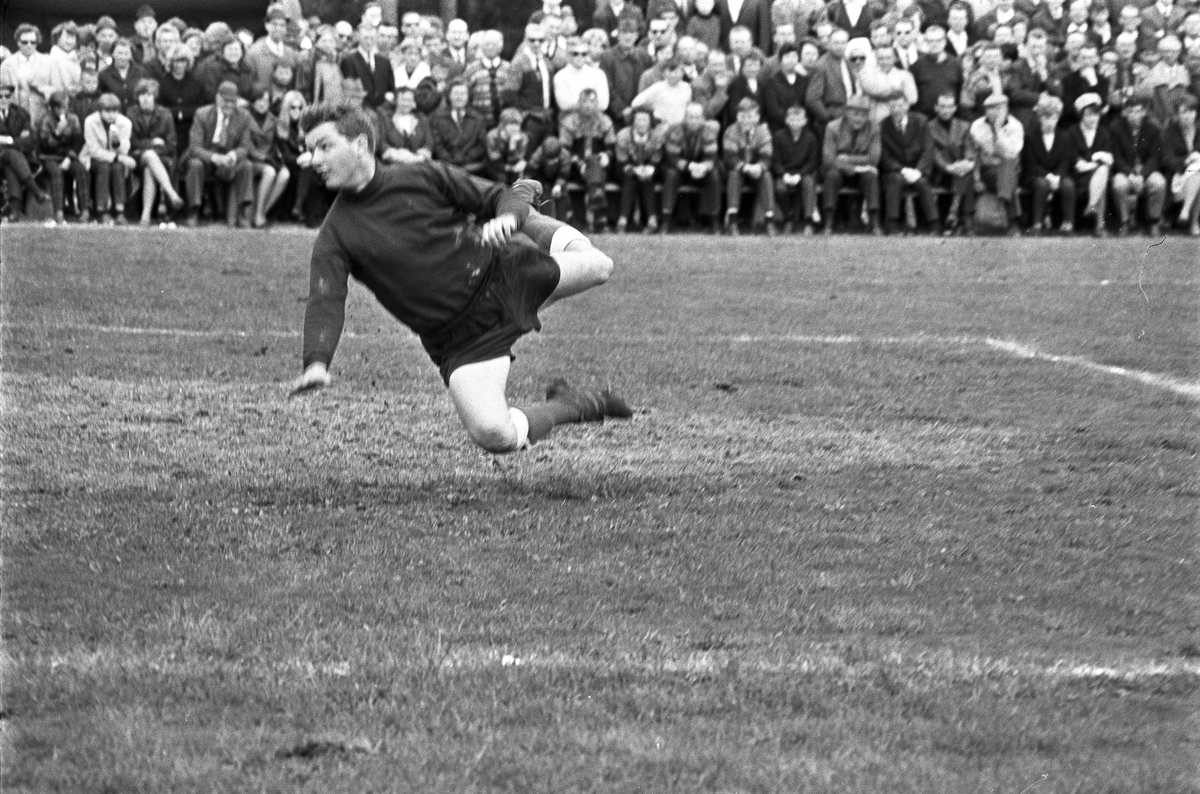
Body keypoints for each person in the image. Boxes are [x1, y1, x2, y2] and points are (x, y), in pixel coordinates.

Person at [289, 103, 631, 454]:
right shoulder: (335, 235)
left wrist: (508, 216)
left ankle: (525, 210)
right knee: (495, 435)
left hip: (505, 280)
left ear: (360, 144)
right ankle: (573, 405)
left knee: (599, 265)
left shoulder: (422, 176)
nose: (314, 160)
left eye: (324, 146)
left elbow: (496, 195)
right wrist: (316, 362)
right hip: (459, 338)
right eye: (309, 150)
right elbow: (325, 299)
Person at [185, 80, 254, 227]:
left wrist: (232, 155)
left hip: (228, 157)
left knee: (246, 165)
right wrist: (213, 157)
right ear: (217, 98)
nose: (229, 105)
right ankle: (194, 210)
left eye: (233, 101)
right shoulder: (202, 114)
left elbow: (245, 146)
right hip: (206, 157)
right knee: (195, 165)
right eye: (225, 101)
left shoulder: (244, 116)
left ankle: (242, 212)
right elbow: (194, 147)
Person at [821, 94, 882, 235]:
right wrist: (848, 166)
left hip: (862, 172)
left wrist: (847, 158)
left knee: (871, 177)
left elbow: (874, 159)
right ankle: (828, 223)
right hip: (839, 170)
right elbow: (828, 159)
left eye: (863, 115)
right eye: (855, 114)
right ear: (846, 112)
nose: (859, 118)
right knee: (831, 176)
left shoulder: (874, 128)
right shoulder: (832, 127)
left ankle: (875, 223)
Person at [558, 88, 617, 232]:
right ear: (579, 103)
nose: (588, 105)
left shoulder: (604, 121)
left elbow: (611, 146)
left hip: (599, 165)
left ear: (597, 103)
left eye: (592, 101)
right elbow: (564, 149)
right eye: (584, 101)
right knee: (595, 172)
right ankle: (599, 218)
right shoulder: (569, 121)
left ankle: (586, 220)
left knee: (595, 163)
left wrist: (607, 155)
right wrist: (578, 162)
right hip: (575, 166)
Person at [128, 78, 184, 225]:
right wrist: (152, 143)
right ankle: (172, 194)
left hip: (163, 158)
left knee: (149, 167)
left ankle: (145, 216)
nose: (145, 99)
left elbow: (171, 145)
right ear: (137, 97)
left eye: (149, 95)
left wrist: (152, 150)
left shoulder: (165, 114)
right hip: (136, 156)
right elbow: (132, 142)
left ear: (155, 96)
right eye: (142, 95)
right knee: (148, 155)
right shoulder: (131, 113)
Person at [879, 92, 937, 234]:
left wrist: (918, 171)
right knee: (896, 180)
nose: (896, 109)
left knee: (922, 183)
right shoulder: (883, 125)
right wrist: (903, 170)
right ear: (888, 107)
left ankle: (934, 224)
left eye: (899, 105)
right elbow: (885, 156)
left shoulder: (921, 121)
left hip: (918, 169)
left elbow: (928, 150)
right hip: (895, 171)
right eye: (892, 106)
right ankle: (892, 224)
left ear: (907, 105)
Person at [1109, 95, 1167, 236]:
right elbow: (1116, 157)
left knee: (1159, 182)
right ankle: (1125, 222)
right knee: (1119, 184)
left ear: (1144, 112)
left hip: (1146, 171)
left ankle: (1154, 222)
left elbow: (1155, 157)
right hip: (1125, 171)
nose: (1134, 115)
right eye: (1131, 111)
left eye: (1138, 111)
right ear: (1125, 112)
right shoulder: (1115, 129)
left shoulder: (1153, 129)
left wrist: (1142, 175)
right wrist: (1130, 174)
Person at [661, 101, 723, 232]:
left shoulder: (709, 130)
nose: (694, 120)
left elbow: (711, 156)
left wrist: (704, 167)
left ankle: (715, 221)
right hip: (679, 169)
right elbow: (672, 157)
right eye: (690, 117)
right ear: (685, 117)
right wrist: (689, 166)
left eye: (697, 117)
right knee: (671, 174)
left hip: (701, 169)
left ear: (703, 118)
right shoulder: (675, 129)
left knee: (714, 175)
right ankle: (666, 220)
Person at [968, 93, 1024, 231]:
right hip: (987, 169)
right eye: (990, 109)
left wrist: (998, 130)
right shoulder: (977, 126)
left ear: (1006, 109)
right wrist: (976, 178)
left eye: (999, 108)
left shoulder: (1016, 126)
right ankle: (1013, 220)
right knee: (1007, 174)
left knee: (1008, 165)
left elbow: (1011, 153)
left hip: (1011, 167)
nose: (994, 112)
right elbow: (975, 154)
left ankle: (1004, 199)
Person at [1023, 94, 1077, 234]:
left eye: (1053, 118)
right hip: (1036, 175)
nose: (1050, 122)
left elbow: (1065, 162)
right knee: (1042, 184)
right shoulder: (1030, 136)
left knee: (1068, 184)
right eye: (1046, 118)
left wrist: (1058, 176)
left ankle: (1068, 222)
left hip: (1058, 174)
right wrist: (1048, 176)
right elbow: (1030, 164)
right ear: (1040, 118)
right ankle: (1037, 223)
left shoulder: (1064, 137)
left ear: (1058, 118)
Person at [722, 96, 776, 234]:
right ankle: (732, 221)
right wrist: (744, 167)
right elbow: (730, 157)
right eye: (742, 116)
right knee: (734, 175)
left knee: (767, 175)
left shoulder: (763, 131)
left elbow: (767, 156)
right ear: (737, 116)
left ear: (757, 117)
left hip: (756, 170)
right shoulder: (731, 131)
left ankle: (769, 221)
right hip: (738, 169)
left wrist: (759, 167)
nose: (746, 120)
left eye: (750, 116)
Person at [0, 80, 52, 221]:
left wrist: (7, 140)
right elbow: (23, 141)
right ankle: (36, 190)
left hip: (19, 160)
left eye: (7, 96)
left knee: (11, 163)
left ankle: (15, 211)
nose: (4, 99)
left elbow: (31, 141)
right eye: (0, 96)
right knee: (12, 154)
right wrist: (16, 139)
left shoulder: (21, 114)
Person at [81, 92, 136, 225]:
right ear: (100, 111)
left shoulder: (125, 123)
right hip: (93, 158)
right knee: (104, 167)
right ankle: (102, 210)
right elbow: (93, 150)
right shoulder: (90, 121)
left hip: (117, 158)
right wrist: (117, 158)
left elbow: (124, 149)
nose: (111, 115)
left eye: (114, 111)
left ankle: (120, 211)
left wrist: (116, 140)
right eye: (107, 111)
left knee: (117, 168)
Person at [1065, 92, 1114, 235]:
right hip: (1078, 176)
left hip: (1096, 174)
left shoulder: (1103, 132)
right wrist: (1096, 159)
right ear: (1081, 116)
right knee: (1102, 173)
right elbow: (1075, 161)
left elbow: (1110, 158)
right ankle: (1099, 223)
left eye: (1096, 115)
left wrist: (1093, 160)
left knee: (1102, 173)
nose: (1093, 119)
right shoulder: (1072, 133)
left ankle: (1094, 213)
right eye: (1089, 115)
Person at [37, 91, 88, 223]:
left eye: (65, 107)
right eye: (59, 107)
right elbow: (44, 145)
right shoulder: (46, 120)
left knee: (81, 170)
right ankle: (58, 211)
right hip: (49, 157)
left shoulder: (73, 118)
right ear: (52, 108)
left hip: (68, 156)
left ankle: (85, 210)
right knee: (56, 173)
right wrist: (56, 133)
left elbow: (78, 141)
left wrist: (69, 158)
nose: (62, 111)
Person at [928, 91, 975, 234]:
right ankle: (962, 217)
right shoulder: (929, 127)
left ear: (954, 108)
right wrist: (948, 167)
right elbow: (932, 152)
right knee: (966, 178)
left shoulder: (964, 126)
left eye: (949, 106)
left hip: (960, 170)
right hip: (941, 173)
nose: (945, 110)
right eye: (942, 106)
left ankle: (954, 215)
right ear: (936, 107)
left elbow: (969, 148)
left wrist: (966, 162)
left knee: (966, 175)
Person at [771, 103, 821, 234]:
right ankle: (789, 218)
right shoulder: (778, 136)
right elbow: (775, 161)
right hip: (785, 173)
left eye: (799, 120)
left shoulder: (811, 138)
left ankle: (809, 221)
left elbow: (812, 162)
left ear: (805, 121)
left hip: (803, 173)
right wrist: (784, 175)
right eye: (792, 119)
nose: (795, 123)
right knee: (780, 188)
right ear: (786, 120)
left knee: (809, 183)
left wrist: (800, 175)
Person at [614, 105, 664, 233]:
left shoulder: (657, 136)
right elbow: (621, 160)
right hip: (626, 168)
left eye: (645, 120)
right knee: (631, 180)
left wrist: (650, 168)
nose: (641, 123)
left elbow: (657, 158)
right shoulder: (623, 135)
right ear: (633, 121)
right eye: (638, 120)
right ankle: (623, 220)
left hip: (649, 170)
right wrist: (635, 170)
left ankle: (651, 220)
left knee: (646, 180)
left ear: (650, 122)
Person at [246, 89, 289, 227]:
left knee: (285, 174)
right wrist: (264, 158)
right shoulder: (245, 118)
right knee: (269, 172)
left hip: (268, 158)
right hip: (251, 159)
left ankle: (262, 213)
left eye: (265, 100)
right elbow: (246, 145)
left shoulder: (273, 119)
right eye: (258, 100)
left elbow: (280, 140)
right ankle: (258, 216)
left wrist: (278, 157)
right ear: (252, 103)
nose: (262, 104)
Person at [1161, 94, 1200, 235]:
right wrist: (1187, 160)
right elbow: (1167, 160)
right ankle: (1193, 223)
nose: (1188, 116)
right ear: (1177, 114)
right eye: (1184, 112)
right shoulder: (1169, 132)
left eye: (1191, 111)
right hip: (1177, 178)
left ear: (1196, 113)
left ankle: (1186, 211)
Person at [430, 80, 488, 174]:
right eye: (456, 93)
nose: (459, 97)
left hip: (472, 166)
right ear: (449, 95)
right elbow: (437, 144)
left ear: (468, 96)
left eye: (463, 93)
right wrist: (449, 159)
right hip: (445, 167)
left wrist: (468, 157)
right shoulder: (437, 117)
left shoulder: (478, 118)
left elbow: (482, 144)